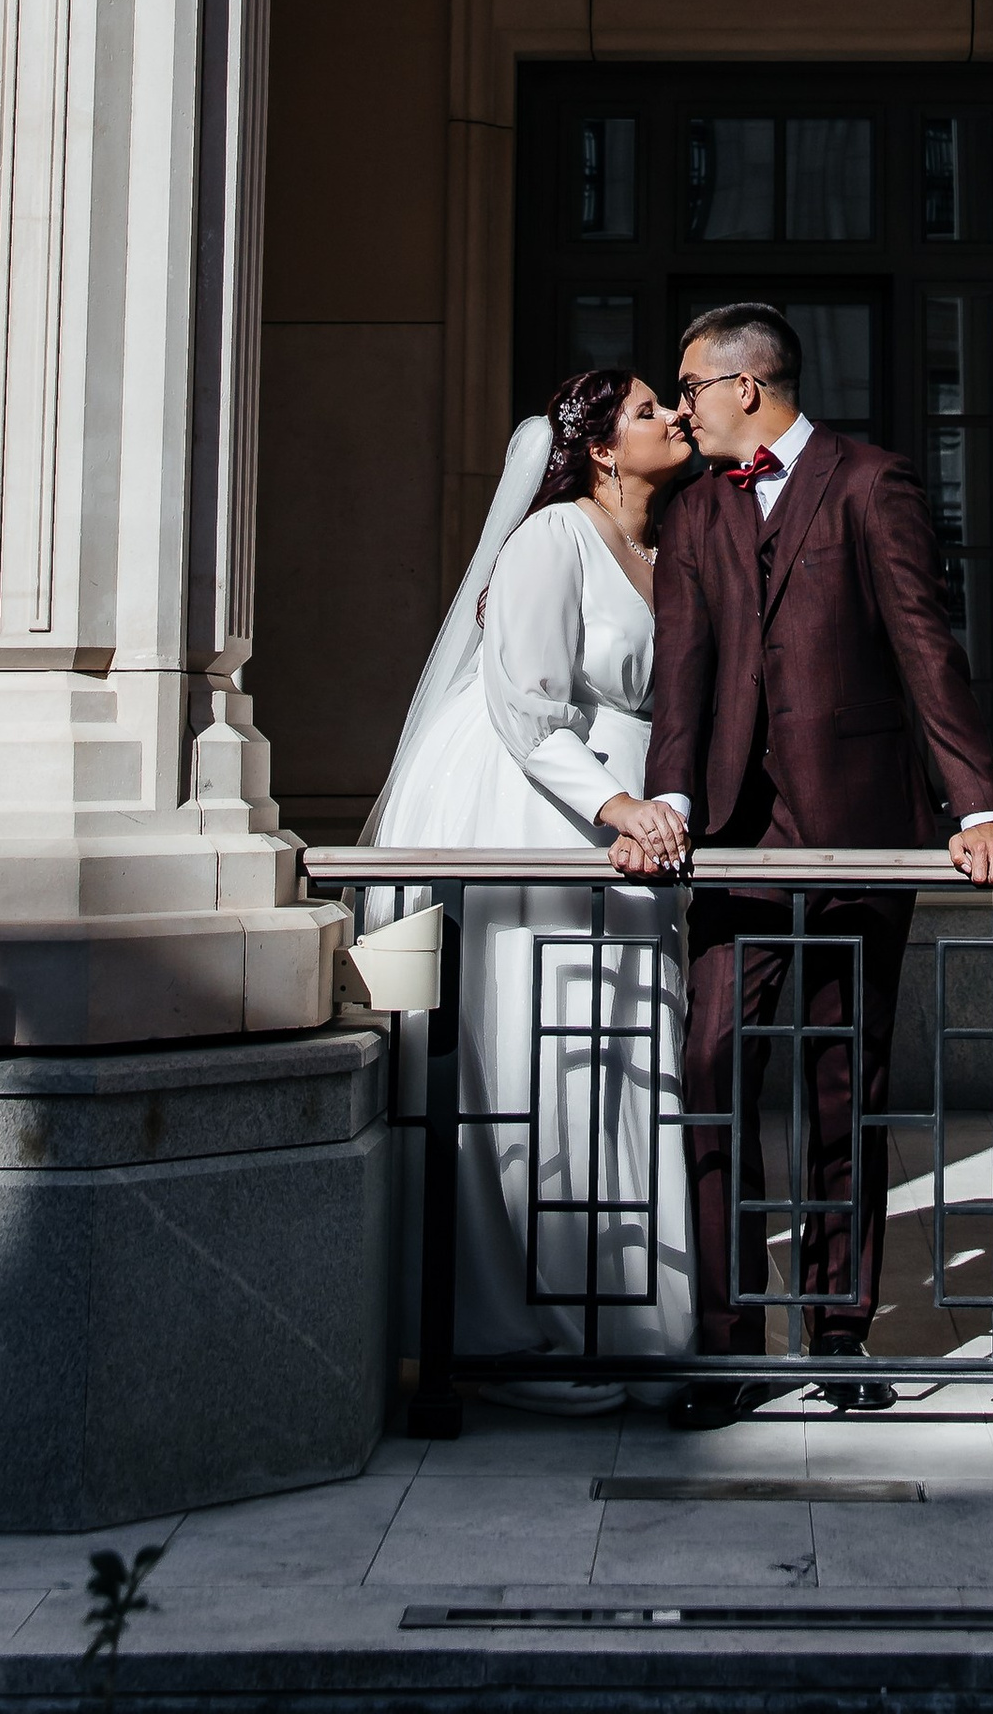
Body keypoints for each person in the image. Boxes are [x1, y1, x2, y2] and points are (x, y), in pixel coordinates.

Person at [630, 299, 993, 1426]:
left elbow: (925, 648)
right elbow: (683, 675)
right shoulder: (695, 512)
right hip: (733, 843)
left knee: (845, 1086)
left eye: (690, 388)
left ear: (745, 387)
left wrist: (978, 804)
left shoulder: (870, 483)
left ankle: (839, 1331)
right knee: (713, 1074)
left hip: (857, 828)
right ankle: (726, 1345)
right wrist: (670, 805)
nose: (681, 411)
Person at [365, 369, 697, 1405]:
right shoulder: (554, 537)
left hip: (634, 821)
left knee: (625, 1049)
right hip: (538, 807)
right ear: (599, 447)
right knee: (550, 1046)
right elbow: (525, 699)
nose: (675, 416)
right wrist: (615, 806)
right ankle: (530, 1316)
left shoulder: (666, 548)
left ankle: (632, 1314)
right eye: (647, 410)